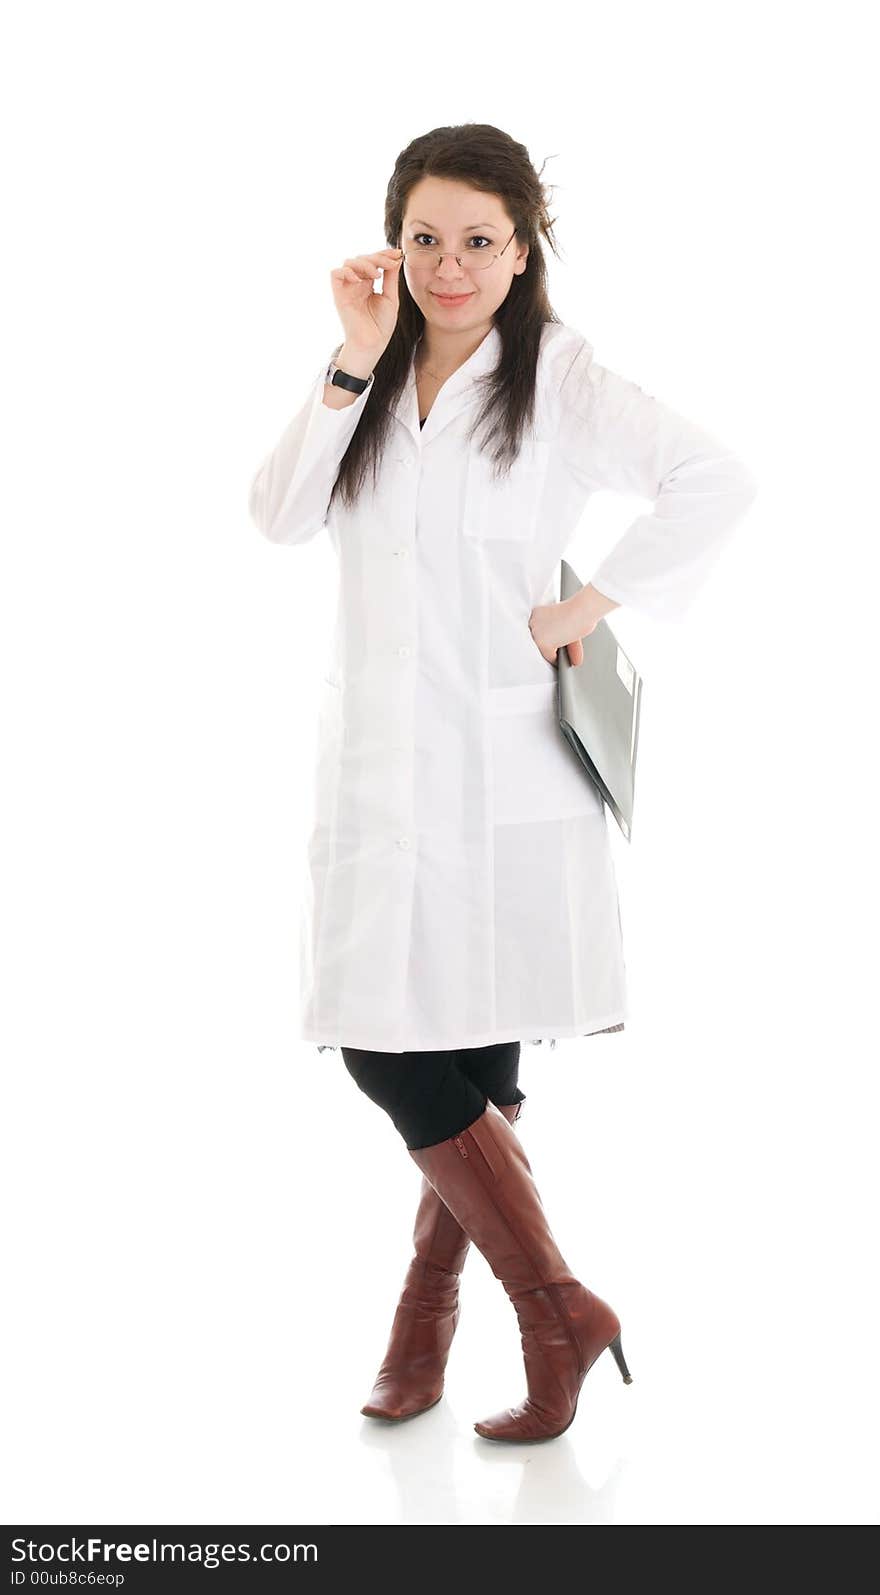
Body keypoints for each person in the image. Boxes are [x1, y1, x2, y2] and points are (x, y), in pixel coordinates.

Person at [248, 124, 757, 1443]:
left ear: (523, 248)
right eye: (424, 238)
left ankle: (464, 1322)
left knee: (459, 1051)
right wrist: (352, 355)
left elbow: (715, 476)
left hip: (504, 763)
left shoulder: (562, 378)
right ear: (391, 243)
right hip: (376, 765)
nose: (449, 263)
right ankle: (545, 1311)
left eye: (479, 239)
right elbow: (278, 515)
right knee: (396, 1040)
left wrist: (588, 598)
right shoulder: (369, 370)